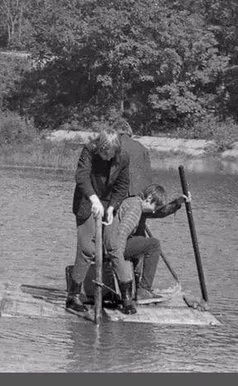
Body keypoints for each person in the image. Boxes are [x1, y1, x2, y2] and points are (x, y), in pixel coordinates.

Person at [66, 129, 130, 314]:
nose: (109, 157)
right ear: (100, 147)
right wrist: (93, 199)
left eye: (112, 153)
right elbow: (81, 177)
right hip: (87, 201)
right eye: (105, 153)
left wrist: (112, 207)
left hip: (109, 202)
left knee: (113, 245)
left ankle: (126, 297)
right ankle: (73, 296)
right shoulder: (89, 150)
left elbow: (122, 185)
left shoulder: (122, 156)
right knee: (87, 248)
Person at [103, 183, 169, 312]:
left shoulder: (132, 202)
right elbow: (121, 234)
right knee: (154, 244)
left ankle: (140, 287)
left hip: (111, 244)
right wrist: (118, 260)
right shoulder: (135, 208)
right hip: (114, 246)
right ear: (149, 198)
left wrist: (178, 202)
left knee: (144, 242)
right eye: (155, 206)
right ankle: (144, 289)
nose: (154, 211)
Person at [111, 117, 152, 196]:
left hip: (118, 193)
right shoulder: (142, 148)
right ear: (129, 131)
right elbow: (148, 176)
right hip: (139, 193)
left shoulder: (112, 146)